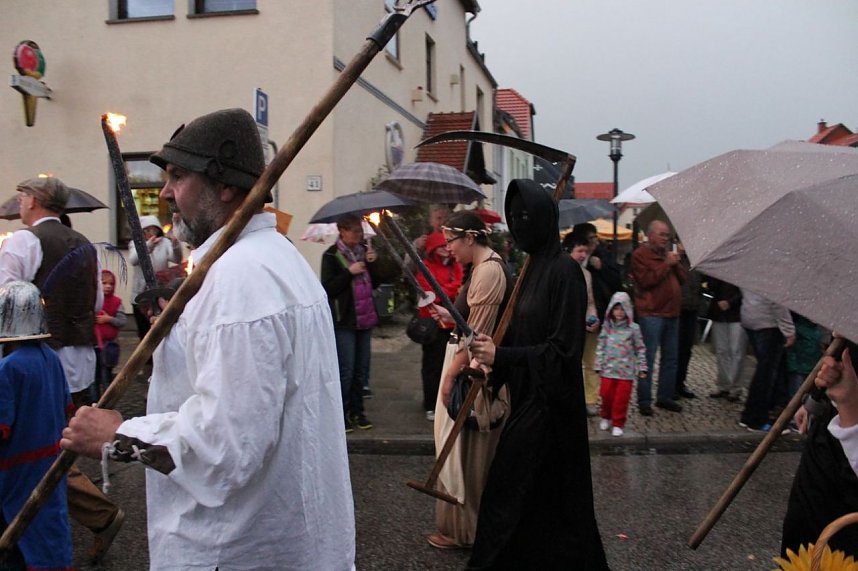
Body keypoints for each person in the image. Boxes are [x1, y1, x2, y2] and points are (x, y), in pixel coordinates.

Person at [61, 108, 355, 570]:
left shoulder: (239, 277)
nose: (165, 193)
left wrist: (118, 434)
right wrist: (182, 330)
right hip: (281, 538)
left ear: (224, 186)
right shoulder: (277, 257)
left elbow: (224, 449)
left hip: (236, 547)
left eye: (178, 176)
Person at [467, 179, 608, 569]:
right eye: (513, 217)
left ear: (545, 218)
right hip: (529, 399)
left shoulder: (565, 273)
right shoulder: (529, 269)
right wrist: (489, 361)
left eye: (526, 215)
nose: (518, 223)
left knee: (508, 493)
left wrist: (504, 355)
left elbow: (562, 351)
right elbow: (514, 330)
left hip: (552, 410)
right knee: (538, 501)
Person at [0, 176, 124, 563]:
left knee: (33, 448)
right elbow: (95, 300)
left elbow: (6, 295)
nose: (18, 203)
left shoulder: (23, 240)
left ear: (35, 201)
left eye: (22, 196)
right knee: (50, 445)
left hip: (30, 355)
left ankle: (96, 516)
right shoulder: (84, 245)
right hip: (75, 359)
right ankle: (96, 515)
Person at [428, 210, 512, 550]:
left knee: (467, 456)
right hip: (467, 363)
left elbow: (478, 336)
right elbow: (471, 321)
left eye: (451, 240)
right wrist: (452, 315)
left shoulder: (489, 271)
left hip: (475, 372)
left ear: (471, 237)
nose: (448, 248)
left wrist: (450, 377)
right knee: (457, 453)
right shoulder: (481, 268)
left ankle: (468, 533)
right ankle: (463, 530)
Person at [0, 281, 73, 571]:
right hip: (49, 463)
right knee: (48, 531)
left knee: (17, 537)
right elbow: (66, 407)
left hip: (16, 468)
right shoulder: (52, 358)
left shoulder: (9, 368)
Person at [780, 339, 858, 557]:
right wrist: (815, 399)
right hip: (827, 439)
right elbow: (838, 359)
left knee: (841, 547)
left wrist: (850, 408)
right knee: (802, 534)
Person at [322, 212, 379, 432]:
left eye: (360, 230)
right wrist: (349, 272)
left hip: (365, 319)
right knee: (346, 370)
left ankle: (358, 412)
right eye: (354, 230)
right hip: (345, 320)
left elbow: (378, 282)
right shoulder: (331, 255)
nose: (358, 234)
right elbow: (328, 288)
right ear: (342, 231)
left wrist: (374, 263)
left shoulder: (364, 252)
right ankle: (341, 414)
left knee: (361, 371)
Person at [630, 220, 687, 415]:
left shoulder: (667, 255)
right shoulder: (640, 255)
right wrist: (666, 264)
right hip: (652, 314)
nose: (665, 238)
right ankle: (644, 400)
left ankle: (665, 396)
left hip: (672, 313)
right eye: (662, 234)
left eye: (667, 235)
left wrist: (676, 259)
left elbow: (683, 279)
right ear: (651, 235)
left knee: (671, 359)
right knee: (648, 358)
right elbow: (646, 281)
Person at [415, 231, 463, 422]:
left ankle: (447, 397)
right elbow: (430, 291)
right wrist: (451, 289)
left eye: (447, 245)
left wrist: (445, 289)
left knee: (451, 363)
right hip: (433, 324)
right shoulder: (425, 267)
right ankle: (430, 403)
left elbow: (460, 283)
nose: (445, 249)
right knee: (432, 365)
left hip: (451, 323)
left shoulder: (456, 265)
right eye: (440, 246)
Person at [739, 289, 795, 432]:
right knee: (766, 375)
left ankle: (753, 415)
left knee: (766, 371)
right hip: (768, 323)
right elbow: (777, 302)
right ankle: (756, 419)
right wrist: (789, 330)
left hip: (750, 317)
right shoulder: (775, 272)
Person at [594, 291, 648, 437]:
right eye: (616, 308)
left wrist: (642, 367)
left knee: (621, 399)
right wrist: (598, 364)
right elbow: (601, 345)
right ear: (611, 309)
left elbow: (640, 348)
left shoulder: (634, 329)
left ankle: (618, 422)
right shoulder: (607, 327)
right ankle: (605, 415)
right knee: (605, 395)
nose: (619, 312)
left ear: (628, 310)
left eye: (622, 309)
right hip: (608, 370)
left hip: (626, 373)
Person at [128, 215, 182, 340]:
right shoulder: (135, 243)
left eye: (154, 229)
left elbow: (177, 259)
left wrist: (175, 244)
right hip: (141, 293)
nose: (151, 233)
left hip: (159, 291)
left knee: (158, 329)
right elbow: (134, 260)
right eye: (147, 230)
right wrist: (149, 245)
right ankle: (146, 358)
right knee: (144, 331)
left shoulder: (164, 243)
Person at [564, 233, 600, 416]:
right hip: (568, 328)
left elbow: (591, 300)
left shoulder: (586, 274)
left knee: (590, 363)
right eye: (579, 250)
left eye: (585, 251)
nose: (583, 254)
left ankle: (590, 399)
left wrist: (594, 319)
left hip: (586, 326)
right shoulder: (561, 273)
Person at [706, 276, 748, 402]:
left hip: (737, 314)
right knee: (721, 350)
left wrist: (731, 302)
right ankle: (723, 384)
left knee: (736, 352)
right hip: (719, 312)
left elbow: (746, 291)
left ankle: (735, 387)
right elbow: (711, 286)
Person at [571, 222, 623, 319]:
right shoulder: (570, 257)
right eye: (591, 238)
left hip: (600, 307)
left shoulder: (604, 255)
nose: (595, 241)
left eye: (595, 237)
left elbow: (617, 280)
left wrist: (602, 267)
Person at [93, 269, 126, 399]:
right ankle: (94, 402)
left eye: (111, 284)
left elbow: (122, 321)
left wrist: (109, 319)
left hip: (109, 346)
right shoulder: (93, 301)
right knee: (93, 378)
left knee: (106, 376)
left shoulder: (116, 302)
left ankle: (107, 402)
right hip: (94, 345)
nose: (108, 286)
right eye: (104, 283)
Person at [674, 244, 701, 399]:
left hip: (692, 307)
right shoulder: (674, 259)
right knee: (675, 350)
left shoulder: (696, 260)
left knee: (686, 349)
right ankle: (672, 385)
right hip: (678, 309)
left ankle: (680, 383)